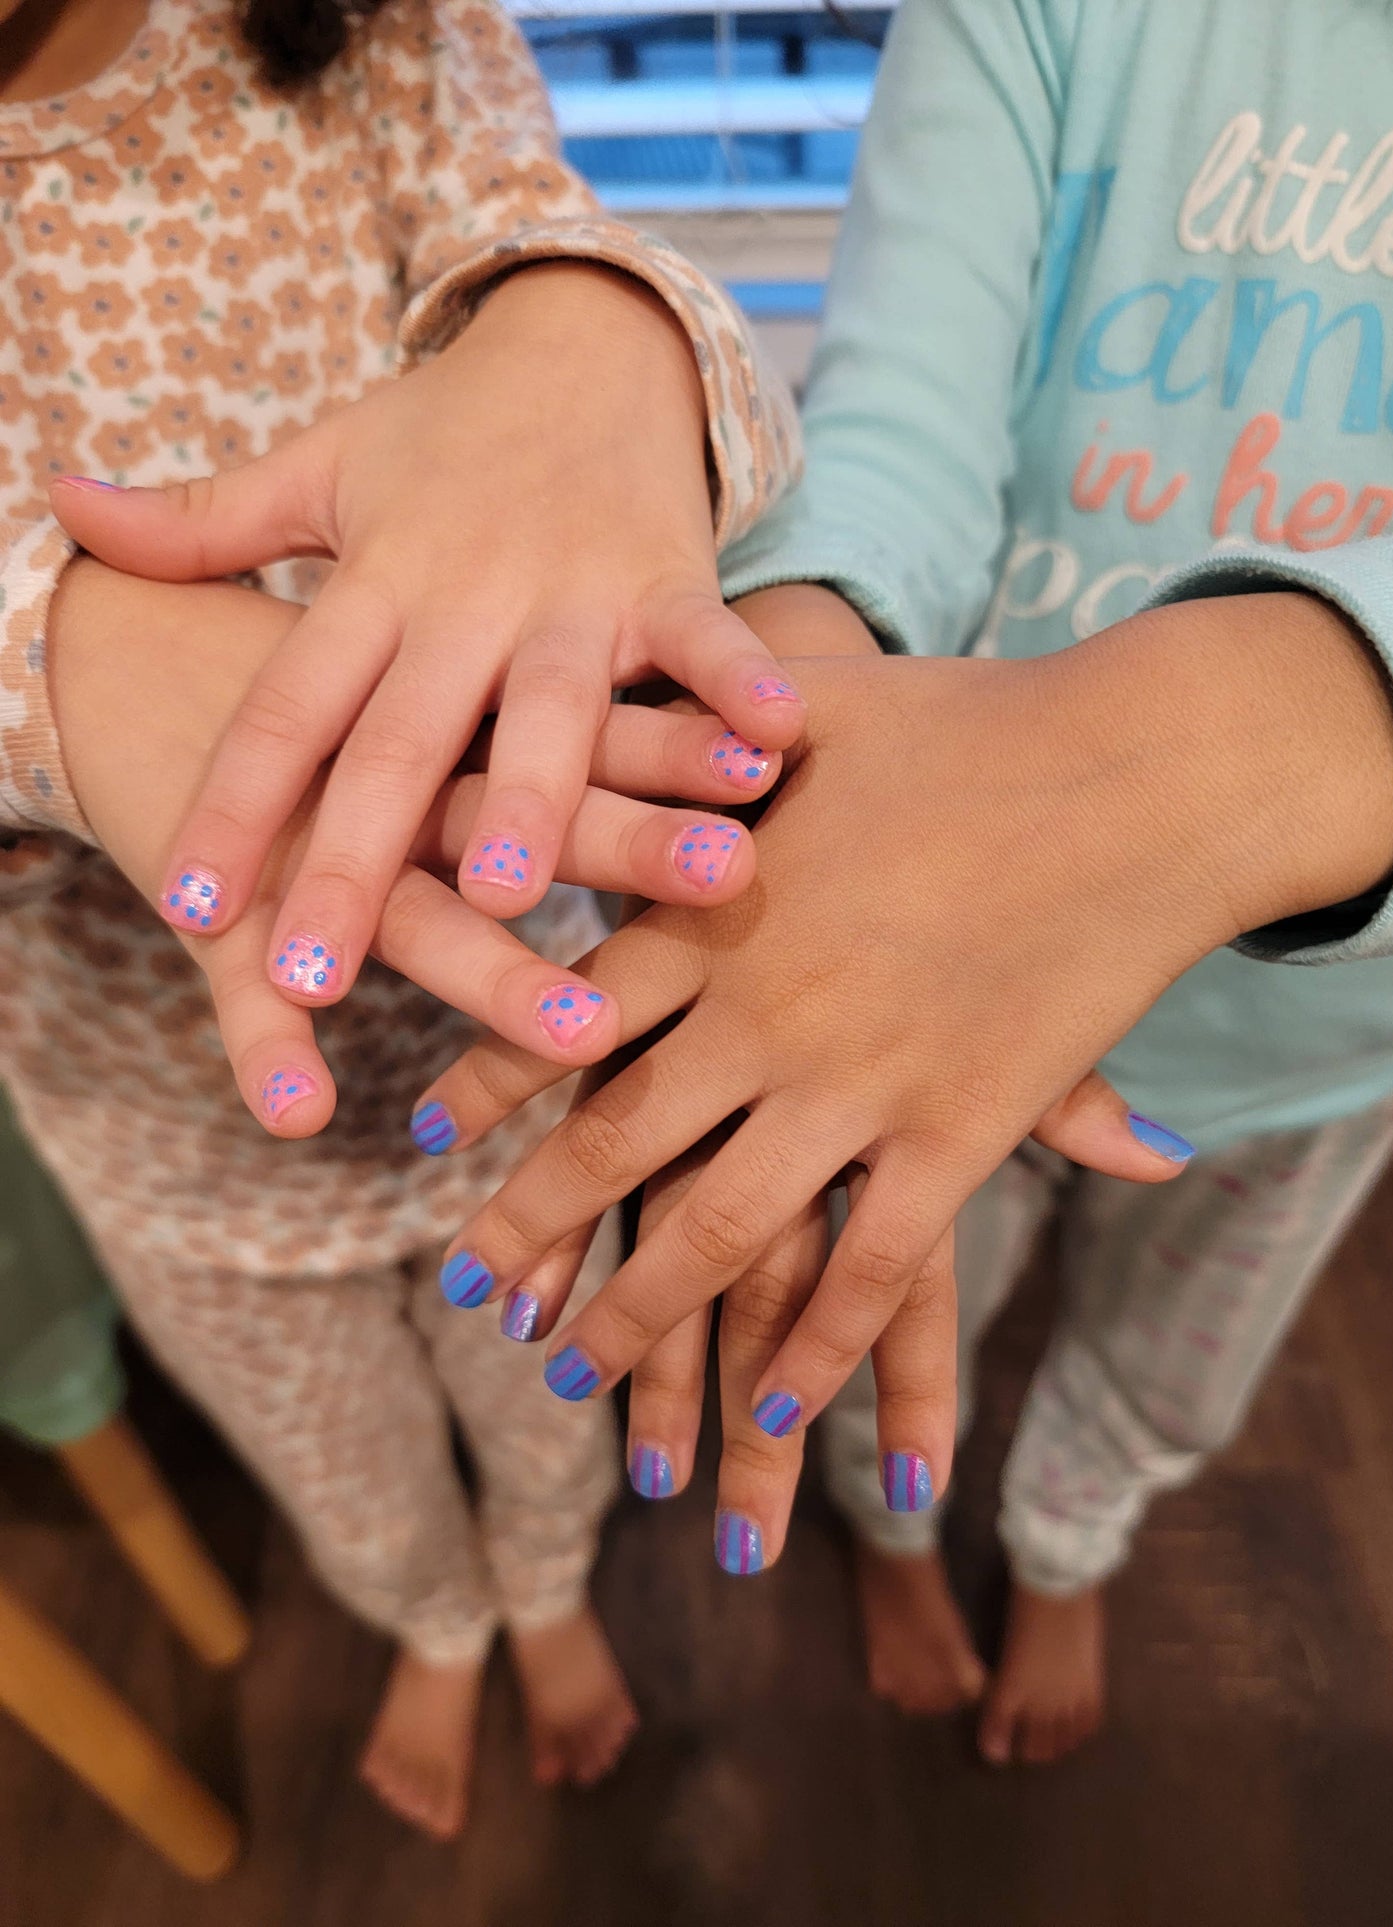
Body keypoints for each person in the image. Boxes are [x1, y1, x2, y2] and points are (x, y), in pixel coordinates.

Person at [402, 0, 1393, 1767]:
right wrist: (785, 710)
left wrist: (1169, 753)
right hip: (884, 981)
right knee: (857, 1327)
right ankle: (898, 1537)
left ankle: (1064, 1549)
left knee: (1173, 1371)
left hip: (1320, 1032)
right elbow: (896, 430)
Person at [0, 0, 797, 1836]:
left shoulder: (377, 35)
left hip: (502, 1056)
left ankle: (536, 1589)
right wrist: (51, 660)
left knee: (543, 1408)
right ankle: (433, 1620)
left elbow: (528, 225)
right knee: (342, 1480)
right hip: (159, 1139)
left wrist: (596, 330)